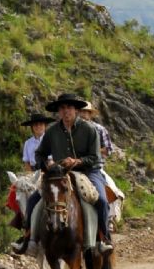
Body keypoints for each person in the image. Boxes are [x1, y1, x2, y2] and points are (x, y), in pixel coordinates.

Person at [13, 93, 113, 255]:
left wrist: (77, 161)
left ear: (76, 110)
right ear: (58, 111)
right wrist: (47, 164)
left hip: (88, 171)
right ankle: (29, 239)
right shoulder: (52, 132)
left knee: (101, 200)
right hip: (59, 173)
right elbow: (40, 154)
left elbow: (95, 157)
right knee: (32, 201)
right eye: (62, 108)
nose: (66, 111)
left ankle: (103, 239)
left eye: (69, 108)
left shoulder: (90, 129)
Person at [79, 102, 126, 233]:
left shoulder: (99, 129)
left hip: (95, 167)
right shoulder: (73, 129)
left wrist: (93, 151)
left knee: (111, 191)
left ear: (90, 114)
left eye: (86, 112)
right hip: (76, 167)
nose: (83, 114)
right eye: (81, 111)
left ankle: (108, 220)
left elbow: (108, 149)